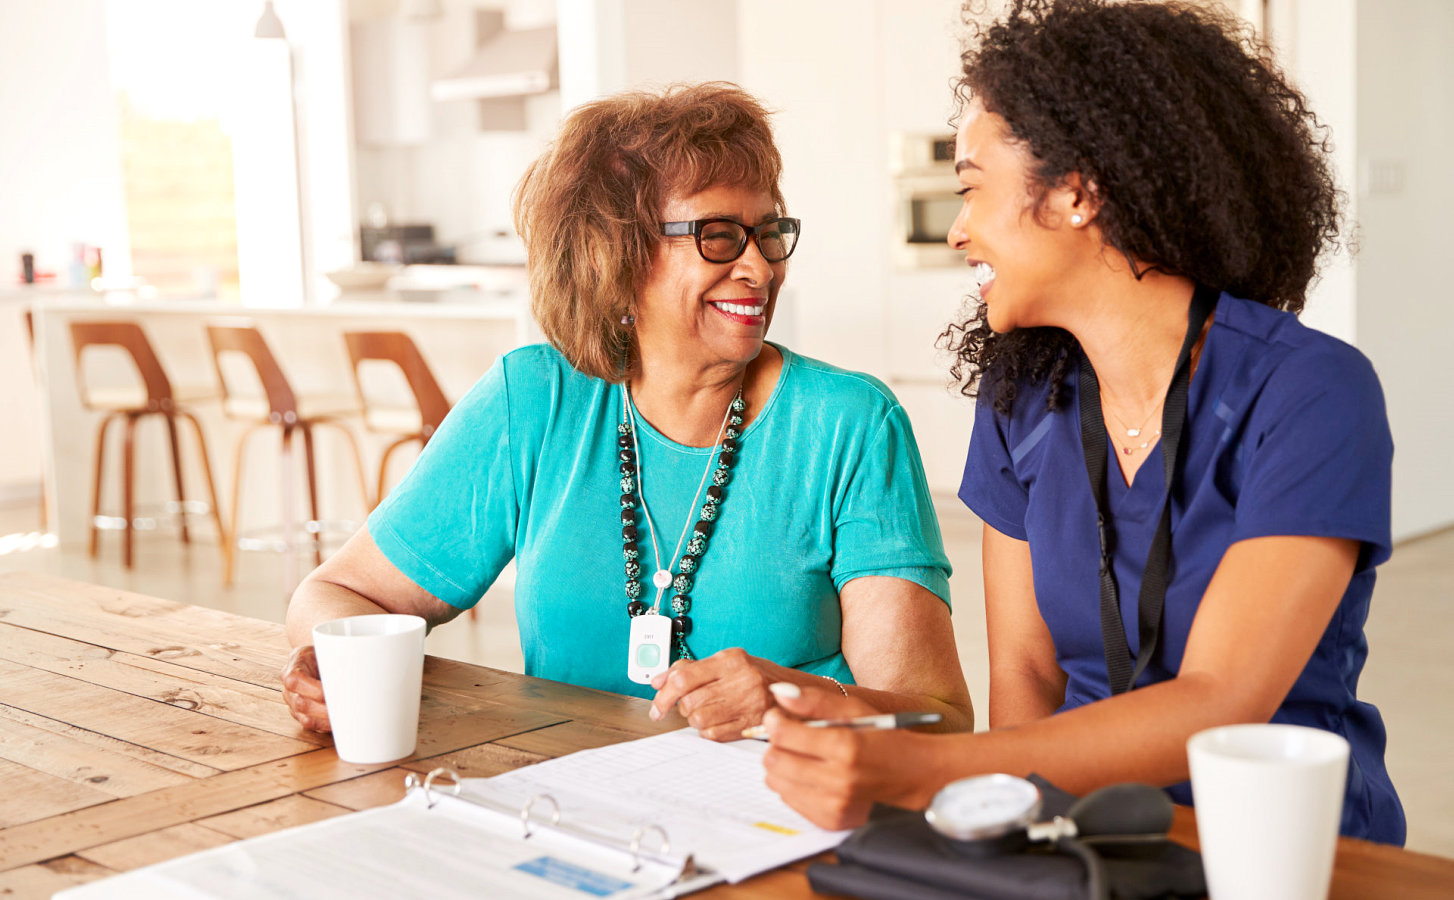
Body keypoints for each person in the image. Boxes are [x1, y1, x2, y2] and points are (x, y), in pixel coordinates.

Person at [760, 0, 1405, 845]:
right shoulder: (1021, 397)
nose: (958, 230)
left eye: (972, 189)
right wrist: (1010, 829)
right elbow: (1026, 672)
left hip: (1282, 842)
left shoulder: (1312, 391)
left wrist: (929, 772)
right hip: (1080, 833)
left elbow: (1221, 696)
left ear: (1075, 193)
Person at [281, 82, 972, 742]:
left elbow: (936, 716)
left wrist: (799, 700)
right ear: (617, 254)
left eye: (768, 233)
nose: (760, 269)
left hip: (777, 815)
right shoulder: (534, 402)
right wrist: (339, 668)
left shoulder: (849, 425)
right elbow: (337, 593)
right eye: (719, 237)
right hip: (562, 813)